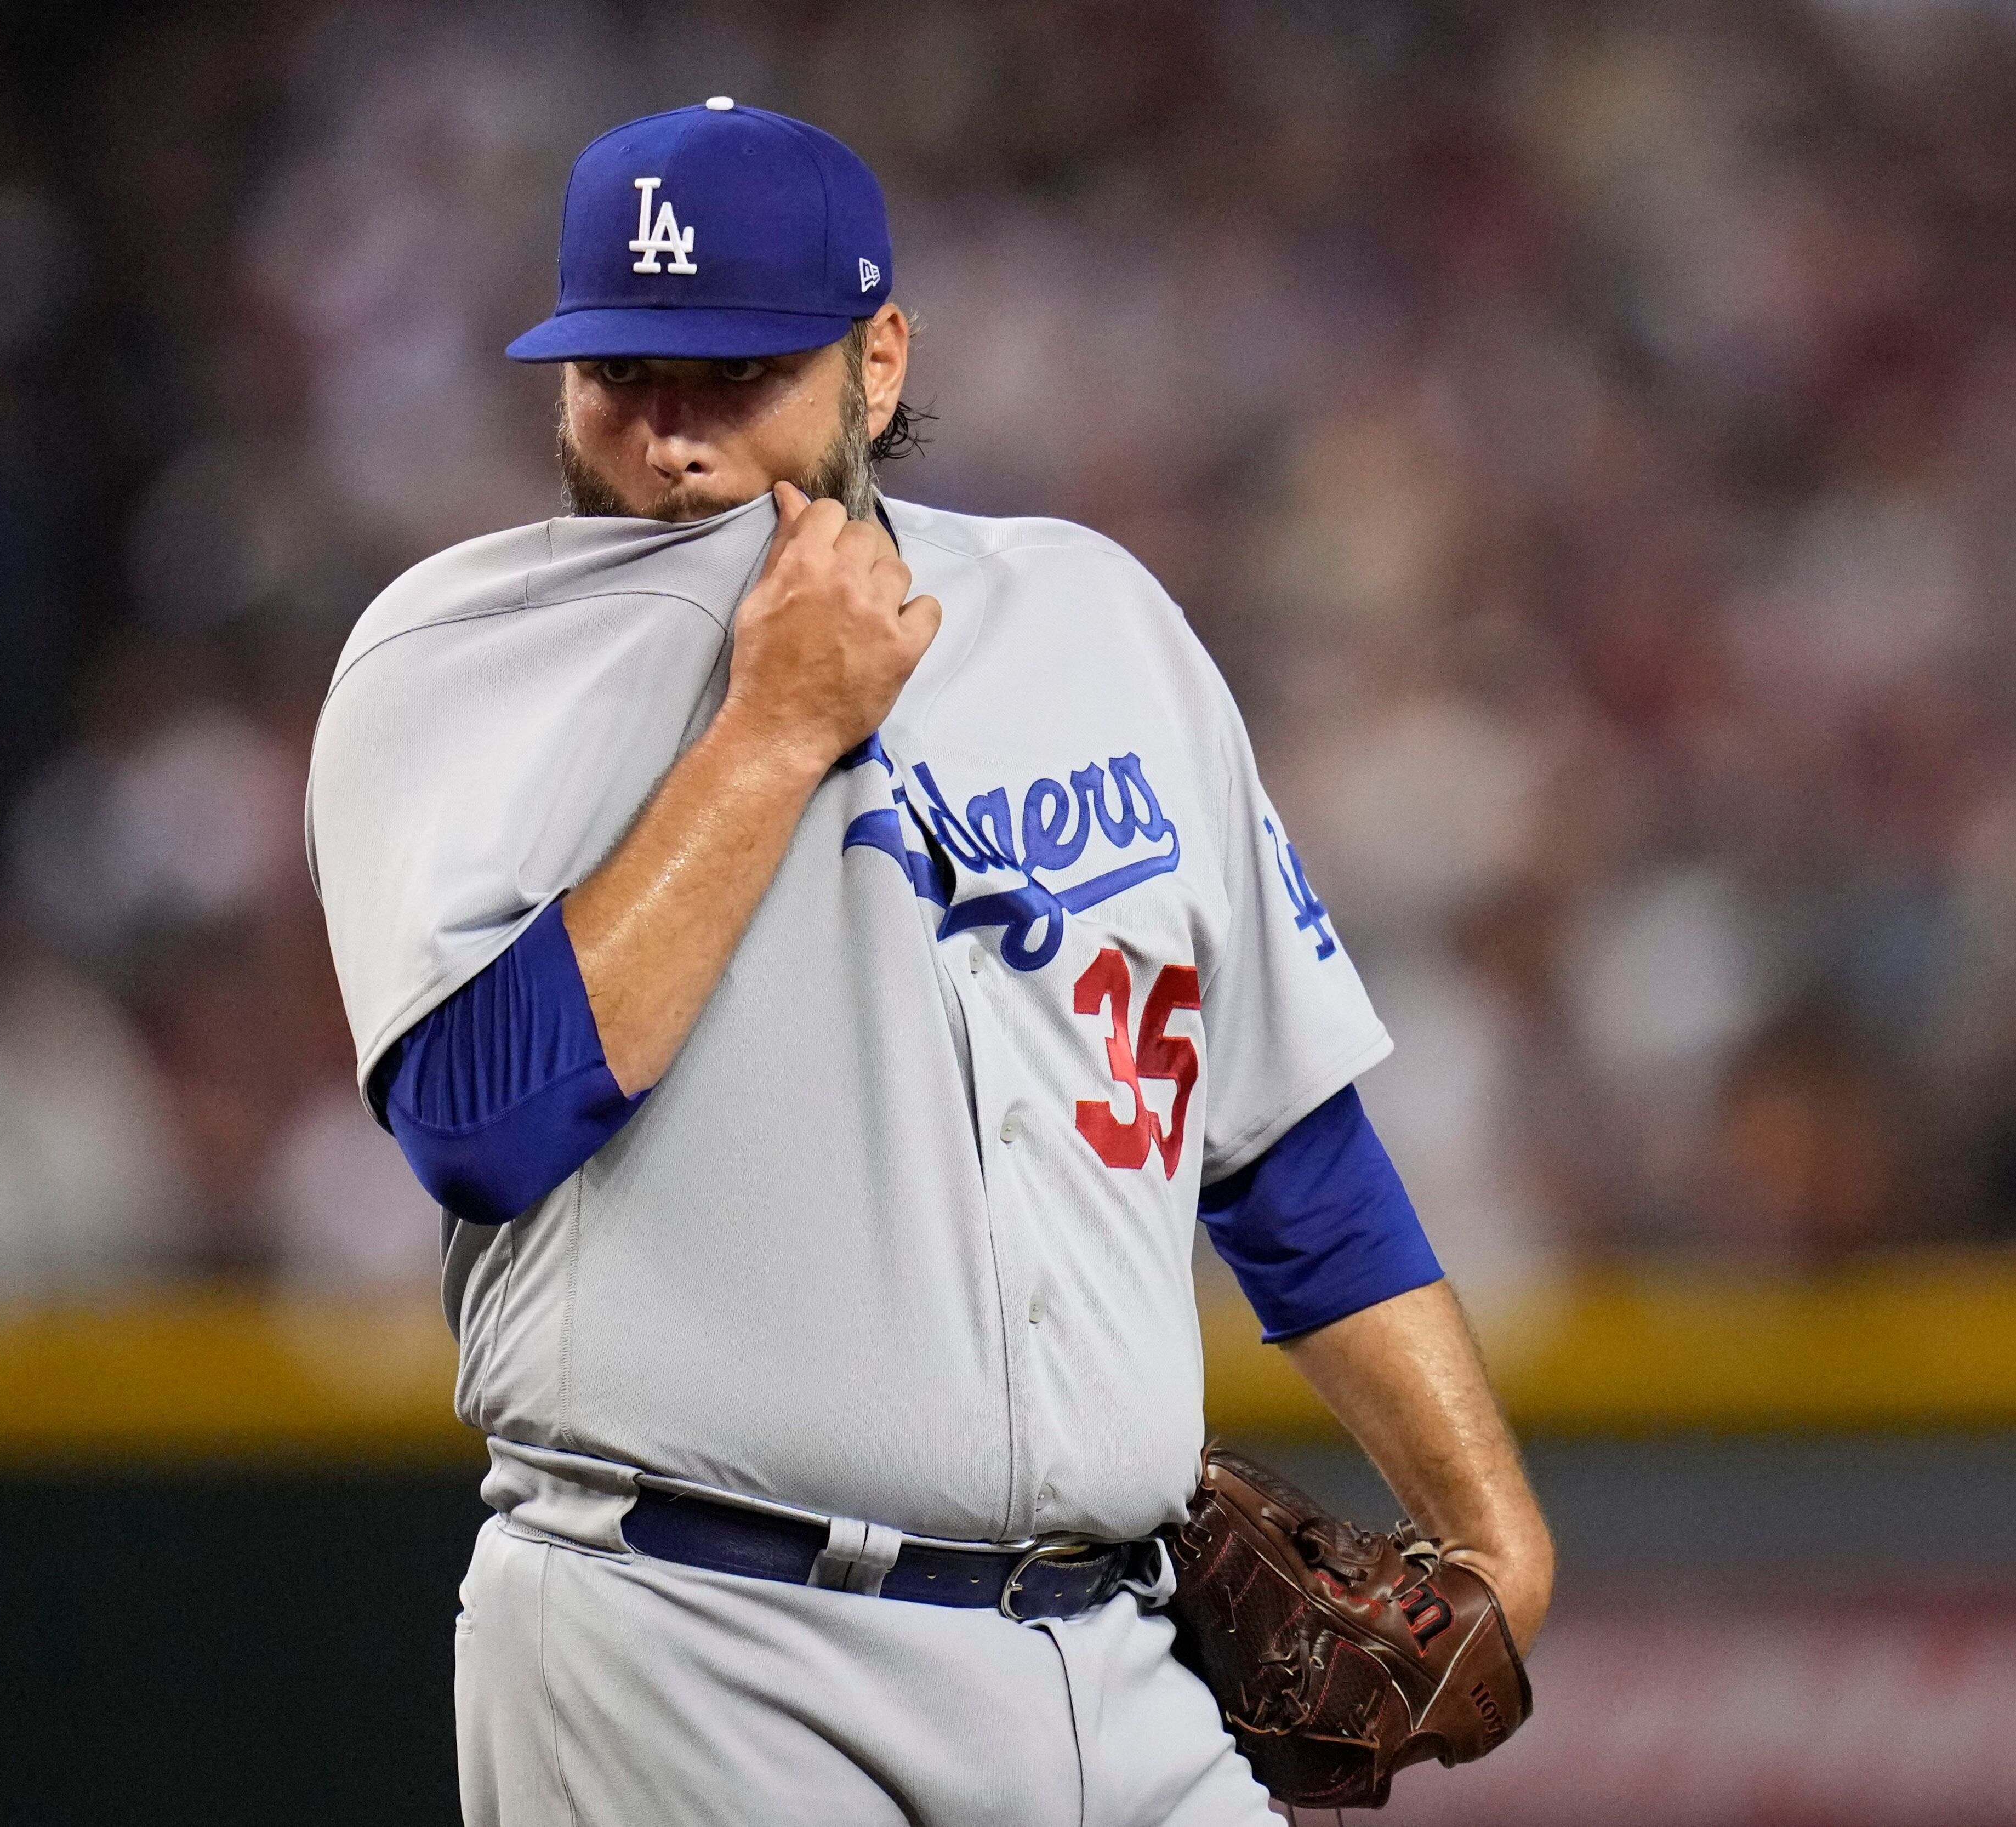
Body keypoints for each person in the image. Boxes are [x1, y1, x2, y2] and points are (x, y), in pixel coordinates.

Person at [308, 99, 1553, 1827]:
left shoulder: (1092, 621)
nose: (671, 446)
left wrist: (1493, 1527)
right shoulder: (460, 658)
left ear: (876, 364)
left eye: (731, 377)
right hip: (692, 1648)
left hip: (1116, 1657)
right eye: (623, 376)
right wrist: (771, 733)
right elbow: (478, 1123)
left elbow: (1279, 1148)